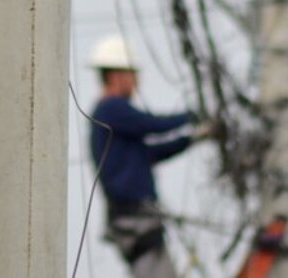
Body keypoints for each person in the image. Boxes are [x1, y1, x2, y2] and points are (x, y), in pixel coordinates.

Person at [88, 35, 211, 278]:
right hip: (134, 217)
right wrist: (188, 117)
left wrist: (192, 137)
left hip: (137, 216)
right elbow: (151, 124)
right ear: (115, 75)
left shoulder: (118, 121)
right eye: (132, 74)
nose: (137, 82)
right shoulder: (111, 109)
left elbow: (151, 153)